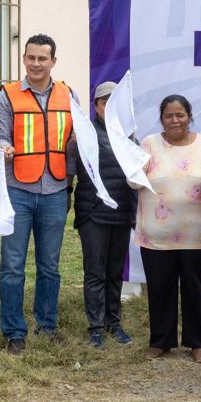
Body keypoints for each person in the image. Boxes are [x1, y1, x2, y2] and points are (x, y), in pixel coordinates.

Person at [0, 33, 77, 354]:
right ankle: (14, 331)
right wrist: (4, 147)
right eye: (31, 58)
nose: (36, 63)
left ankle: (47, 325)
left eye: (43, 58)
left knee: (50, 265)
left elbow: (74, 141)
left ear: (53, 61)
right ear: (24, 59)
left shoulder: (69, 96)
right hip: (17, 190)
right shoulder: (8, 95)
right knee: (13, 265)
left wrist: (70, 182)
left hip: (56, 189)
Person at [137, 95, 201, 362]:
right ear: (161, 119)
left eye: (180, 114)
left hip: (197, 233)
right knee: (160, 287)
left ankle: (198, 342)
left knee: (196, 289)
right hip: (157, 235)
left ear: (189, 117)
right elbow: (133, 182)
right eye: (169, 115)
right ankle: (161, 340)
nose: (175, 120)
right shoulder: (148, 144)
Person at [74, 81, 136, 349]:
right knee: (95, 272)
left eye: (114, 102)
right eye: (103, 102)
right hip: (94, 214)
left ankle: (114, 322)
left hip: (121, 213)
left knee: (114, 272)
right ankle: (95, 327)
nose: (108, 107)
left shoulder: (128, 136)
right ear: (96, 106)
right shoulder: (84, 134)